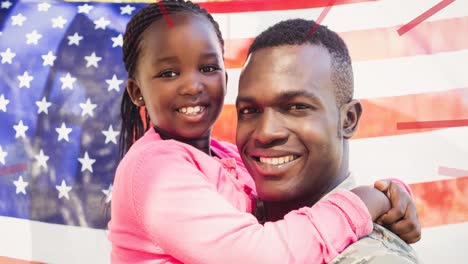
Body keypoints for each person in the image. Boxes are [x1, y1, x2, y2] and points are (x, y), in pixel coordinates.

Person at [109, 1, 420, 263]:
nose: (193, 85)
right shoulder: (155, 169)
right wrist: (362, 203)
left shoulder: (225, 157)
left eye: (207, 68)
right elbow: (255, 254)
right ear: (137, 92)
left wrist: (390, 194)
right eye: (168, 73)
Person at [236, 19, 421, 263]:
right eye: (249, 110)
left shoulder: (371, 257)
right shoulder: (223, 217)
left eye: (296, 107)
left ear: (348, 120)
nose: (265, 133)